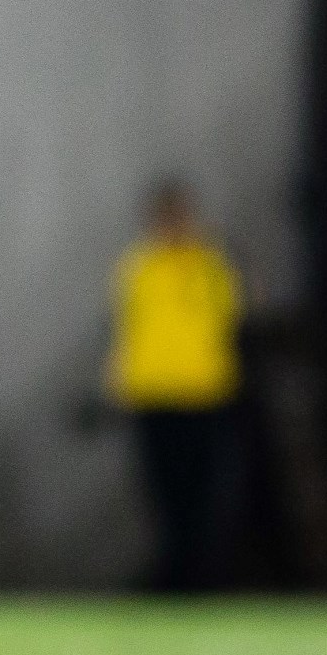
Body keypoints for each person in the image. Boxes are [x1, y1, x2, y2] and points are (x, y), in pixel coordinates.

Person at [106, 179, 242, 592]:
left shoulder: (210, 265)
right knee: (165, 494)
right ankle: (175, 574)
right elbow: (127, 329)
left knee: (203, 493)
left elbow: (231, 314)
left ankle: (203, 577)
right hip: (153, 395)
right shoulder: (137, 267)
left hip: (202, 394)